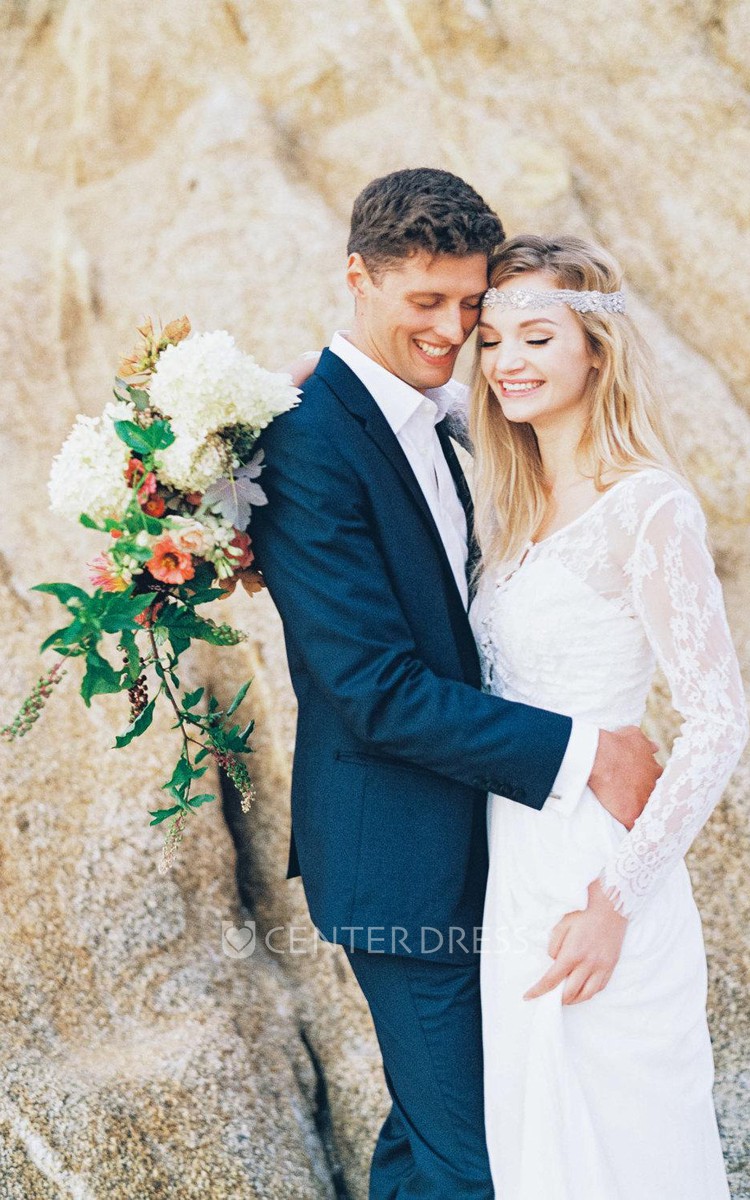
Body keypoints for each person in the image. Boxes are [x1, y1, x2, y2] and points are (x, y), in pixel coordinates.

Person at [250, 170, 661, 1199]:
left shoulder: (441, 417)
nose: (451, 329)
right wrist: (583, 749)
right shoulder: (307, 441)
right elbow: (376, 690)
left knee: (436, 1131)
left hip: (485, 851)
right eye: (424, 302)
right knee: (483, 1160)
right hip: (400, 865)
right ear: (358, 277)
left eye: (470, 304)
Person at [461, 234, 748, 1198]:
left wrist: (614, 902)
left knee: (626, 1149)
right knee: (538, 1154)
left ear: (596, 348)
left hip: (599, 874)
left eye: (538, 338)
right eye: (492, 339)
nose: (509, 362)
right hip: (515, 866)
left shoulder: (647, 507)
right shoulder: (506, 504)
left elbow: (716, 721)